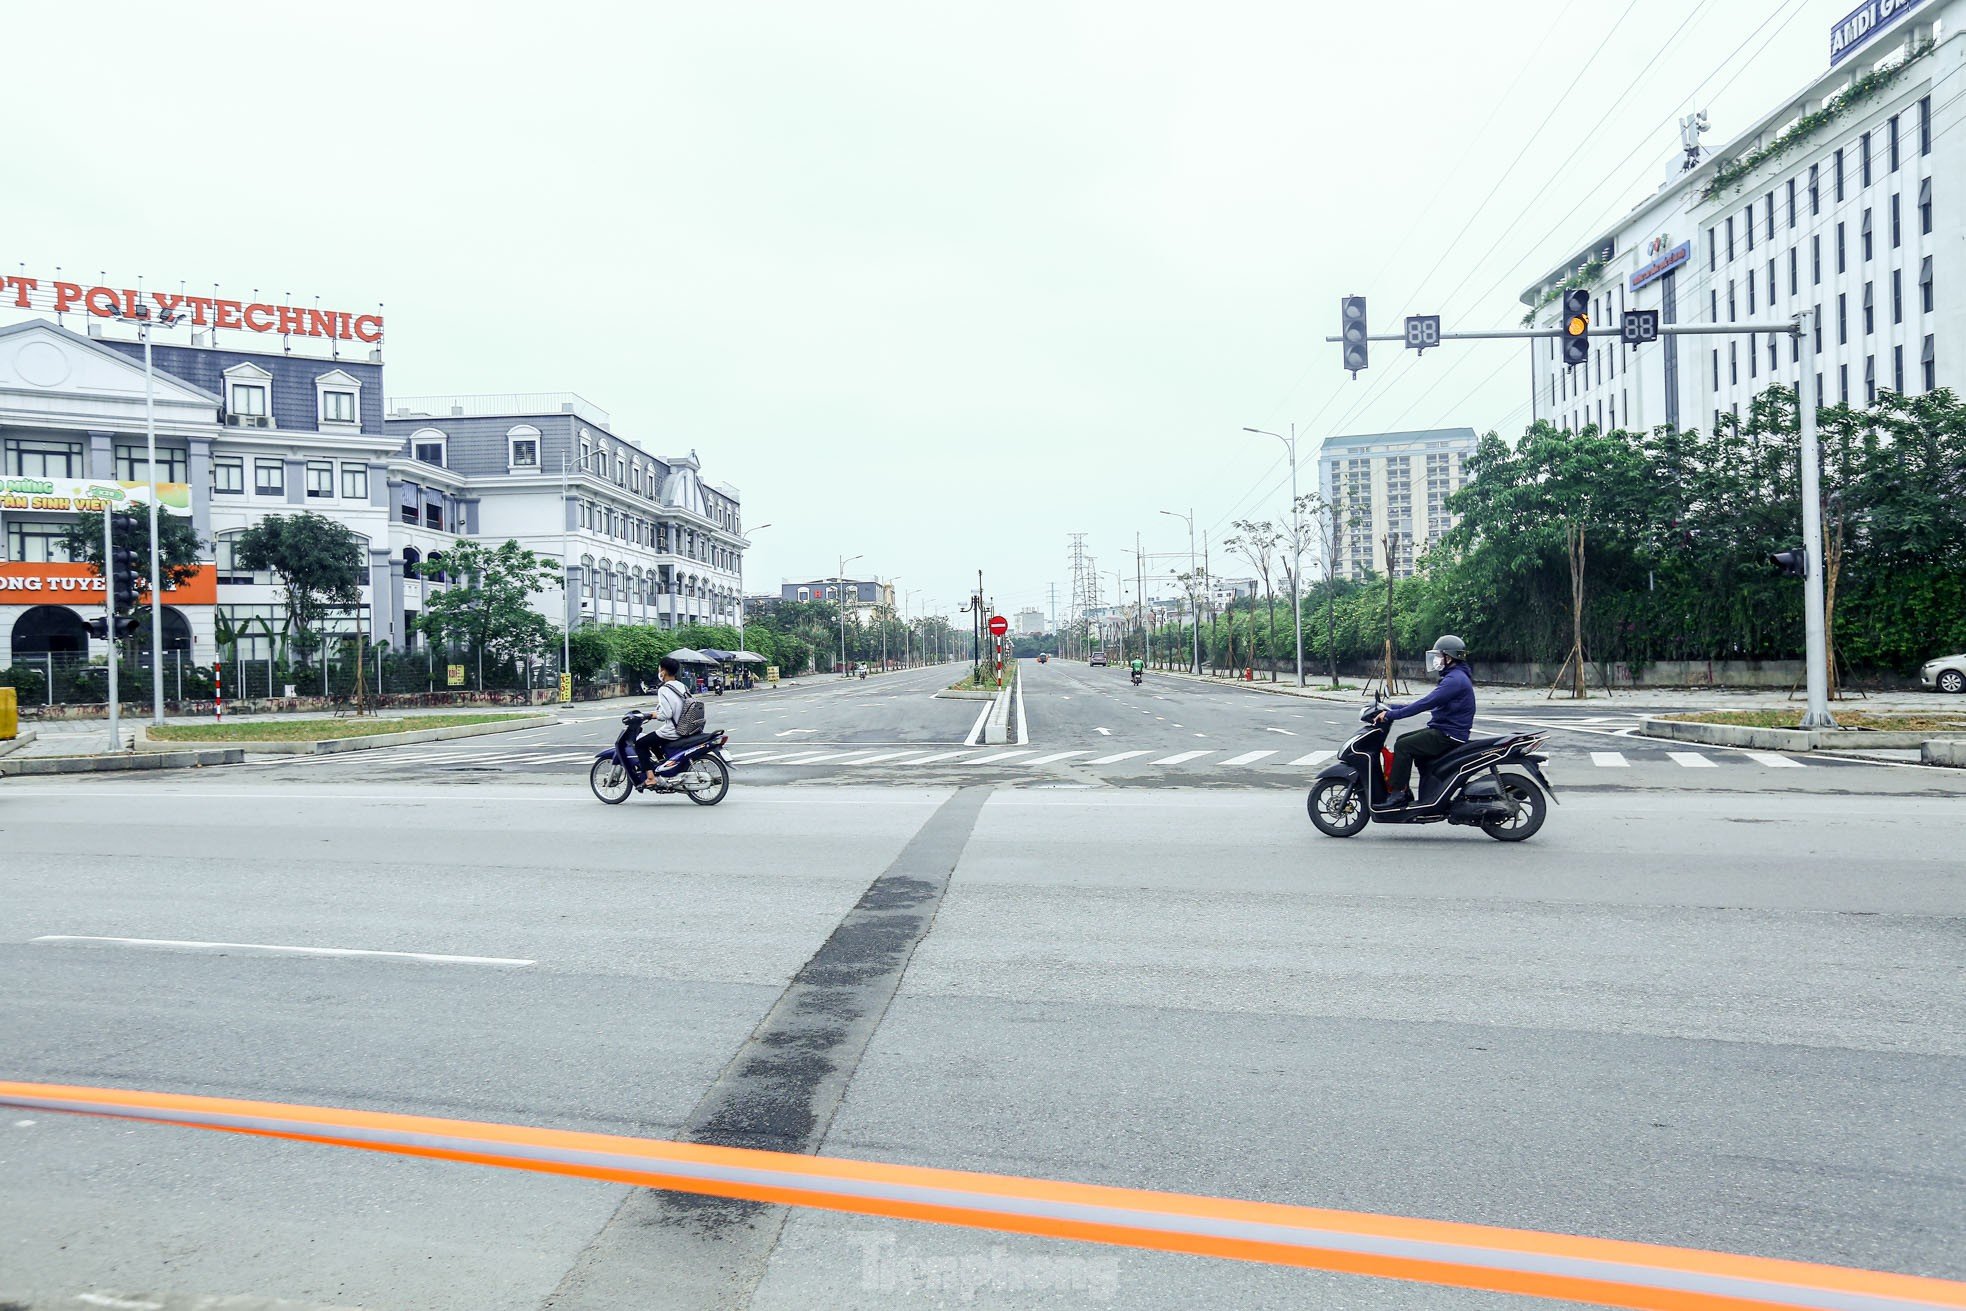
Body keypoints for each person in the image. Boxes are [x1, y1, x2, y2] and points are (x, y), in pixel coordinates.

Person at [1377, 635, 1474, 807]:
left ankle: (1398, 793)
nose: (1436, 660)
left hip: (1448, 735)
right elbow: (1427, 701)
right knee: (1403, 741)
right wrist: (1391, 706)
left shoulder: (1454, 680)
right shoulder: (1455, 676)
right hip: (1446, 730)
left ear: (1449, 657)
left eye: (1439, 656)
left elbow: (1426, 703)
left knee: (1403, 746)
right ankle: (1409, 791)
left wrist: (1393, 714)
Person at [635, 655, 692, 787]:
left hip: (673, 730)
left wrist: (653, 715)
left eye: (660, 668)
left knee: (640, 744)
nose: (659, 671)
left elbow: (666, 714)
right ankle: (663, 765)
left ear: (664, 671)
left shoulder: (664, 689)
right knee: (653, 739)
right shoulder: (682, 686)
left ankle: (650, 778)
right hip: (685, 727)